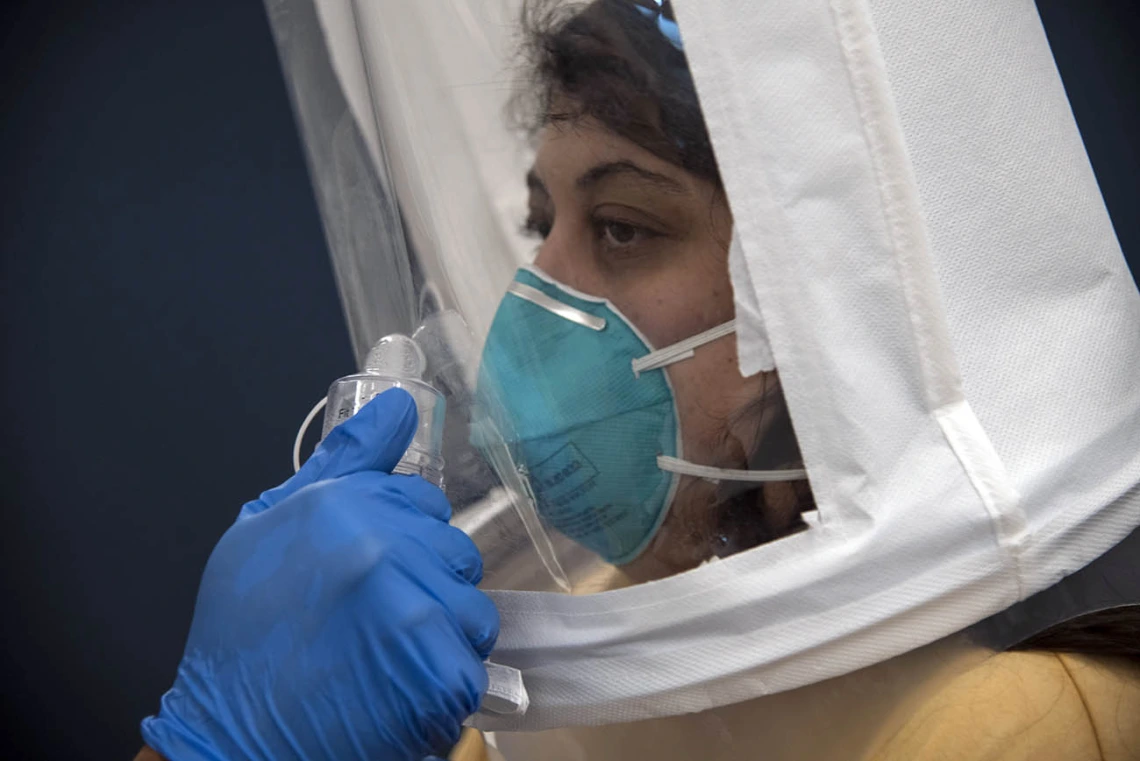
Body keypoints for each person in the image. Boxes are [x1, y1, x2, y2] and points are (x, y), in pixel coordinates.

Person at [137, 2, 1140, 760]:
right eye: (543, 225)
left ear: (824, 299)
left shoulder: (1011, 721)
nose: (537, 300)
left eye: (622, 227)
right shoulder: (563, 661)